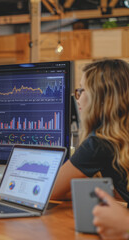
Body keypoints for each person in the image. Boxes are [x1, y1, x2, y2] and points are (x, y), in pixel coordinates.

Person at [51, 59, 129, 204]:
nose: (78, 99)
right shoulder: (119, 137)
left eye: (81, 90)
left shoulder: (99, 143)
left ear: (99, 97)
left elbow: (49, 191)